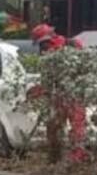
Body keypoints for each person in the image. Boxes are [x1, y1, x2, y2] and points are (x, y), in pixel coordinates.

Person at [31, 23, 87, 162]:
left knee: (75, 129)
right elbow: (47, 80)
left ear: (45, 41)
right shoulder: (64, 48)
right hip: (60, 96)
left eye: (42, 45)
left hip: (73, 95)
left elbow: (84, 69)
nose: (41, 49)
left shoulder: (72, 46)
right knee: (54, 127)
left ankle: (75, 159)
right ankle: (56, 158)